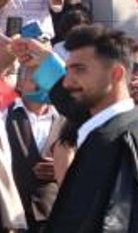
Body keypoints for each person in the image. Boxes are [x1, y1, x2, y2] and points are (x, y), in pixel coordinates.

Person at [14, 24, 138, 232]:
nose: (67, 81)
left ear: (116, 74)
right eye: (68, 70)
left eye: (80, 70)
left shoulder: (121, 140)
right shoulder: (109, 126)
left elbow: (114, 224)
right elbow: (74, 106)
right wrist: (45, 59)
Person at [5, 62, 64, 232]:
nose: (41, 84)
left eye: (46, 79)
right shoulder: (4, 115)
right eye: (35, 78)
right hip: (14, 216)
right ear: (20, 83)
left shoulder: (67, 121)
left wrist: (60, 168)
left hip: (53, 216)